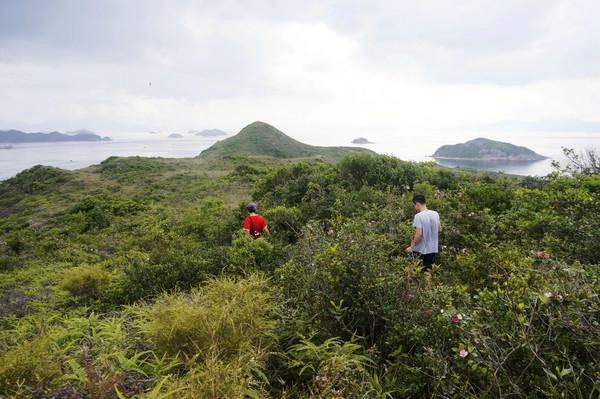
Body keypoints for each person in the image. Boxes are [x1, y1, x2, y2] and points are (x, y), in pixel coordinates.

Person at [405, 194, 440, 270]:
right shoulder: (435, 214)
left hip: (421, 250)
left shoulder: (418, 216)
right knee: (429, 271)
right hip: (433, 249)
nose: (415, 207)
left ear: (417, 204)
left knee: (415, 270)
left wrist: (412, 246)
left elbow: (419, 234)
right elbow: (439, 229)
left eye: (414, 205)